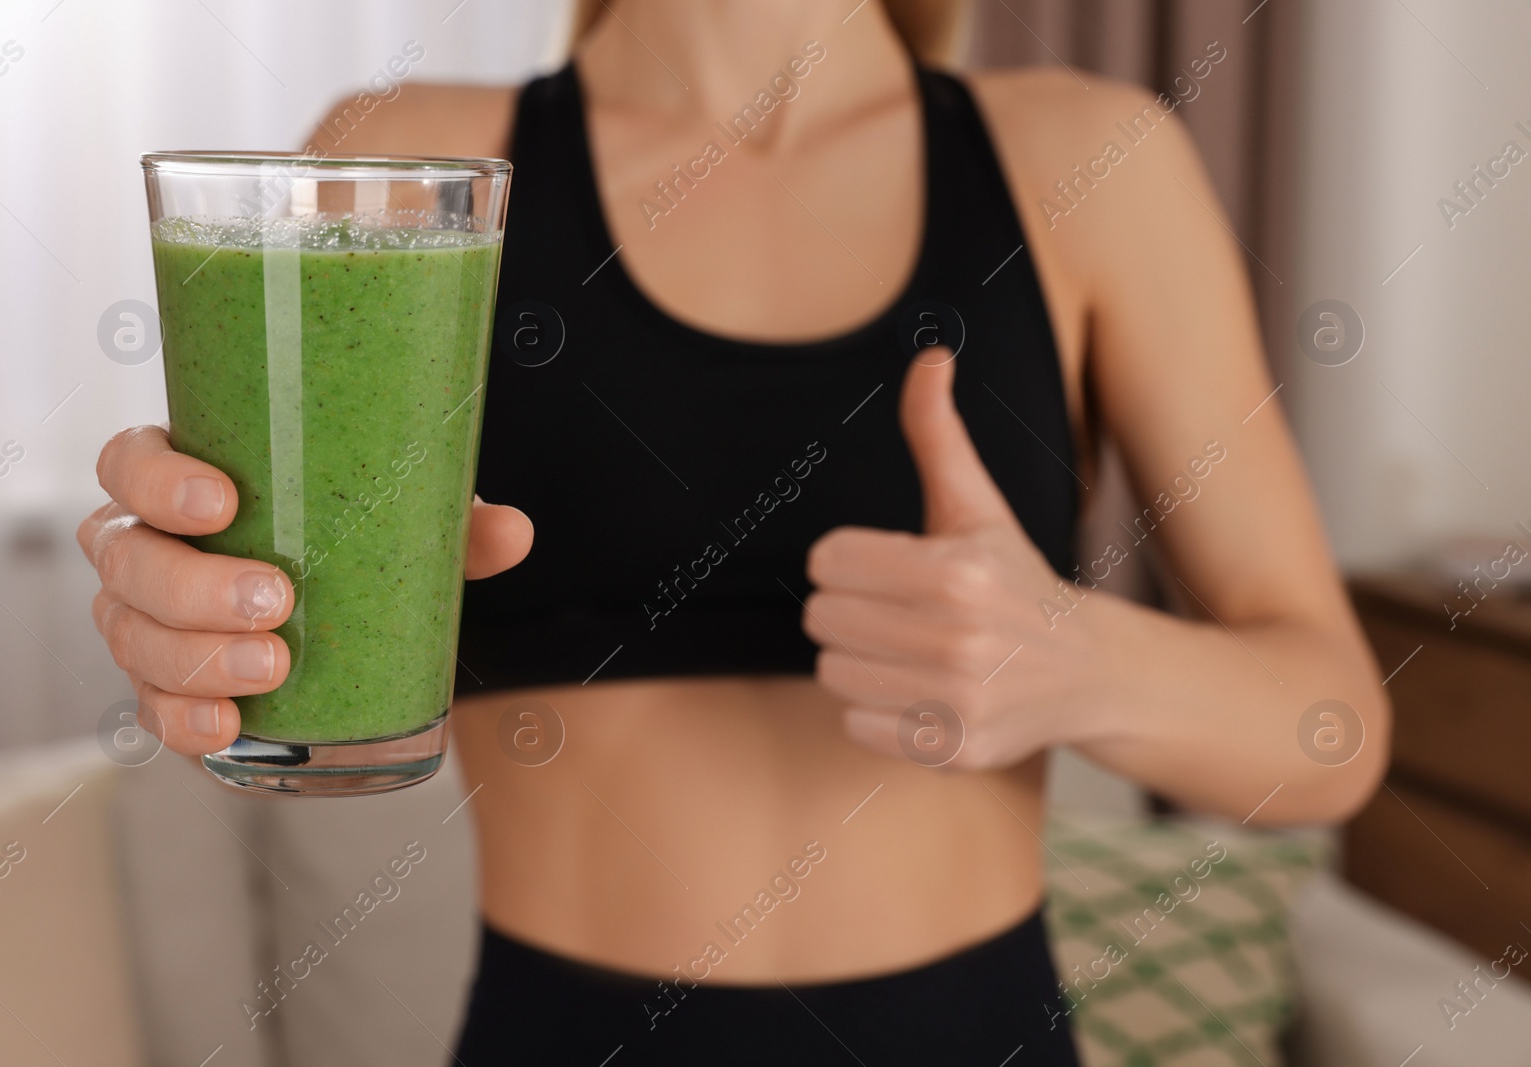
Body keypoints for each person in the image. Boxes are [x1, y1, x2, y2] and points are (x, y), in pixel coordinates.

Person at [77, 1, 1391, 1062]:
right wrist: (199, 616)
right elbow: (267, 598)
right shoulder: (415, 156)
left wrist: (1083, 659)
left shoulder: (1093, 163)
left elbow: (1332, 731)